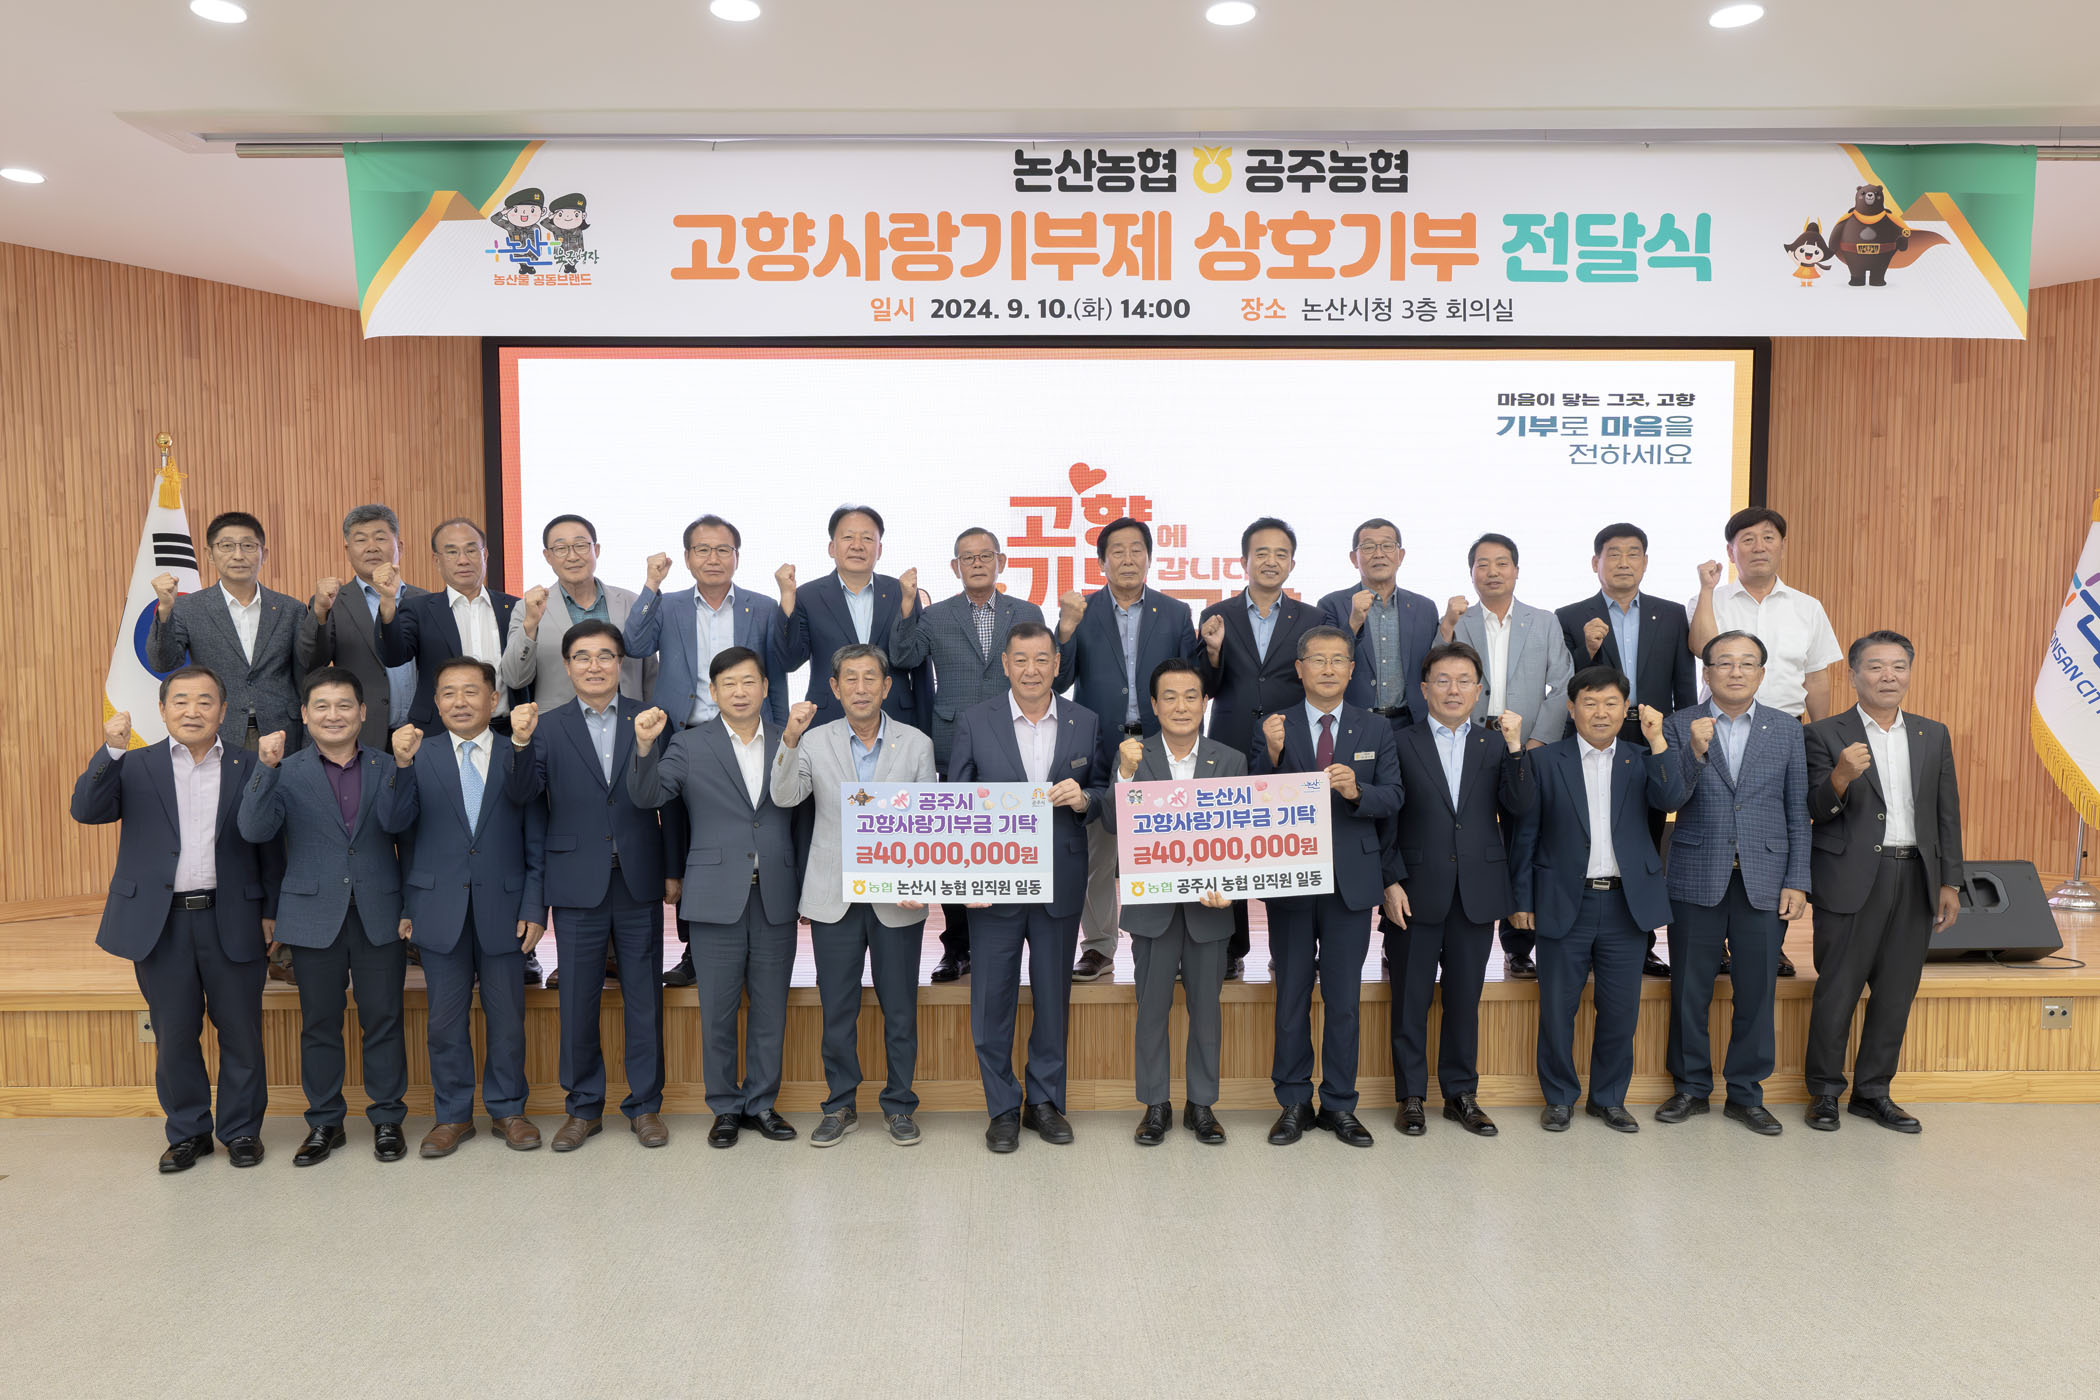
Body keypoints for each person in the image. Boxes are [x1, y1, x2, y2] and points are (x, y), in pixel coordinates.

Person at [69, 666, 280, 1172]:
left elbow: (271, 844)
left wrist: (272, 912)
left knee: (242, 1033)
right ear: (162, 710)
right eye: (180, 701)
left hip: (234, 916)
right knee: (174, 1035)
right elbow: (87, 810)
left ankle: (241, 1130)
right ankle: (189, 1133)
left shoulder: (251, 764)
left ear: (223, 712)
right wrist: (111, 749)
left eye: (205, 701)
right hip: (160, 924)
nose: (192, 711)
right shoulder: (134, 764)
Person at [506, 621, 676, 1152]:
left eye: (605, 655)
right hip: (576, 881)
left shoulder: (650, 719)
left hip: (638, 877)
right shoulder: (546, 727)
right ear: (567, 665)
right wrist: (519, 743)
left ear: (621, 663)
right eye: (583, 656)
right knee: (577, 1001)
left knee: (644, 998)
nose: (595, 665)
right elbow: (522, 796)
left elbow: (670, 800)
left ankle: (645, 1106)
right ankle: (582, 1108)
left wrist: (672, 870)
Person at [630, 645, 803, 1148]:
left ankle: (762, 1103)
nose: (740, 691)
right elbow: (647, 796)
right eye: (729, 684)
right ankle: (725, 1107)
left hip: (776, 894)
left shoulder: (791, 739)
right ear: (713, 691)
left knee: (770, 1009)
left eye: (749, 682)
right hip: (713, 896)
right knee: (718, 1012)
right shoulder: (688, 744)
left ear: (765, 687)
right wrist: (644, 747)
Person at [235, 667, 410, 1166]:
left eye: (344, 705)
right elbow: (253, 830)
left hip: (380, 911)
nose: (334, 715)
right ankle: (325, 1122)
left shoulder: (390, 765)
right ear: (305, 715)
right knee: (319, 1024)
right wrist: (264, 769)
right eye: (322, 706)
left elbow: (409, 834)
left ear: (362, 712)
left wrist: (411, 907)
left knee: (384, 1020)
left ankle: (387, 1119)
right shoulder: (285, 770)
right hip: (313, 915)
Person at [376, 658, 547, 1158]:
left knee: (507, 1019)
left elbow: (535, 838)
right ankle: (452, 1116)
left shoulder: (520, 753)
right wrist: (399, 766)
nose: (460, 702)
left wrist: (535, 906)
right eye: (448, 693)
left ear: (493, 700)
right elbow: (394, 826)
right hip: (436, 907)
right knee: (444, 1023)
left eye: (471, 691)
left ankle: (509, 1110)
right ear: (435, 702)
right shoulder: (416, 754)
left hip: (506, 908)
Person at [770, 644, 938, 1147]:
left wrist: (920, 880)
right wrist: (789, 739)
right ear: (835, 687)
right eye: (850, 679)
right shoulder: (813, 740)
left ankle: (900, 1104)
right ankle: (839, 1104)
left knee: (900, 1009)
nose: (860, 688)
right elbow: (785, 796)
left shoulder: (916, 743)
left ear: (887, 687)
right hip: (834, 894)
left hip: (896, 897)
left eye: (870, 678)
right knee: (837, 1008)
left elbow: (928, 821)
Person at [950, 621, 1109, 1153]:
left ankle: (1044, 1101)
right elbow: (956, 802)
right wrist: (963, 876)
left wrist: (1085, 800)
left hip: (1060, 879)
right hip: (993, 884)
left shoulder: (1086, 721)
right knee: (991, 999)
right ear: (1005, 664)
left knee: (1052, 996)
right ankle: (1001, 1107)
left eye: (1042, 659)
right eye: (1021, 659)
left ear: (1057, 664)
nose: (1032, 670)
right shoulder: (975, 720)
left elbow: (1104, 789)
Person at [1510, 668, 1688, 1134]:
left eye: (1611, 703)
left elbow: (1671, 797)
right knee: (1557, 1010)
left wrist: (1658, 740)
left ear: (1625, 709)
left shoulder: (1641, 757)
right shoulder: (1546, 760)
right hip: (1562, 900)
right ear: (1572, 709)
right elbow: (1525, 834)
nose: (1601, 712)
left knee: (1620, 1011)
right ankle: (1559, 1098)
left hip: (1626, 905)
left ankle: (1609, 1099)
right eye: (1590, 703)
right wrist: (1522, 898)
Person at [1802, 631, 1964, 1134]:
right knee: (1838, 990)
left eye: (1898, 666)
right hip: (1850, 879)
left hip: (1915, 875)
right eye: (1875, 666)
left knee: (1896, 992)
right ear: (1853, 675)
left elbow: (1946, 813)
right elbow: (1815, 810)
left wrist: (1951, 881)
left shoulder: (1932, 734)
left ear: (1909, 673)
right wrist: (1840, 776)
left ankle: (1873, 1092)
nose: (1888, 676)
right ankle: (1825, 1092)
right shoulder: (1824, 734)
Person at [623, 513, 791, 990]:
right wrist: (651, 585)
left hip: (748, 733)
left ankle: (749, 941)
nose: (713, 558)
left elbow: (781, 665)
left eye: (723, 550)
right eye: (703, 549)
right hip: (686, 735)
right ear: (687, 557)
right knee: (683, 843)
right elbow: (635, 643)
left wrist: (787, 603)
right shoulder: (669, 604)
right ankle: (695, 949)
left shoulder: (761, 607)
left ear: (737, 557)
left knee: (741, 835)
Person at [1253, 625, 1404, 1149]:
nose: (1328, 669)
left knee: (1343, 1001)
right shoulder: (1274, 726)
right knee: (1291, 996)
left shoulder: (1375, 728)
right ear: (1299, 668)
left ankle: (1340, 1103)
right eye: (1317, 660)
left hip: (1351, 885)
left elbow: (1394, 797)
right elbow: (1251, 799)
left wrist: (1358, 790)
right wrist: (1273, 756)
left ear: (1352, 669)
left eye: (1338, 660)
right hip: (1291, 881)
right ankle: (1293, 1101)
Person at [1655, 631, 1809, 1136]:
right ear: (1707, 673)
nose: (1736, 671)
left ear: (1762, 674)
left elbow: (1796, 810)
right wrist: (1694, 752)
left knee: (1757, 991)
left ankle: (1745, 1093)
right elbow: (1667, 798)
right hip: (1696, 874)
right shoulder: (1680, 724)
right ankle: (1690, 1088)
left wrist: (1797, 880)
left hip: (1764, 877)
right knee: (1689, 989)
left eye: (1747, 663)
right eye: (1724, 663)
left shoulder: (1786, 729)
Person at [1382, 643, 1534, 1139]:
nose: (1453, 689)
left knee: (1465, 999)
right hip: (1413, 890)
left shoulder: (1495, 744)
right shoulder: (1398, 742)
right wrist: (1390, 880)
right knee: (1410, 999)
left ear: (1479, 689)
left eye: (1464, 680)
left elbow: (1520, 808)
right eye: (1443, 680)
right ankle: (1410, 1096)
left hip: (1476, 891)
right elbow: (1384, 820)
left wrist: (1516, 747)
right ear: (1424, 689)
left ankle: (1460, 1094)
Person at [889, 525, 1047, 982]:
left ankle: (1010, 943)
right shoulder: (937, 615)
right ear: (955, 567)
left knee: (1010, 841)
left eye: (985, 556)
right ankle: (957, 948)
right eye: (967, 558)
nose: (977, 564)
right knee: (954, 847)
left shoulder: (1027, 612)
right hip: (952, 741)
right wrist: (907, 606)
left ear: (1001, 561)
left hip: (1012, 741)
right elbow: (903, 656)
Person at [1053, 515, 1199, 984]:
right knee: (1099, 852)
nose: (1128, 558)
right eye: (1117, 551)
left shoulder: (1175, 612)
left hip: (1161, 743)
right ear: (1102, 562)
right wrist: (1065, 631)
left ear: (1150, 558)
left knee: (1165, 846)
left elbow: (1191, 681)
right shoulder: (1082, 611)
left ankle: (1170, 944)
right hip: (1099, 744)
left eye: (1137, 549)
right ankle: (1098, 946)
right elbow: (1059, 681)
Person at [1104, 657, 1243, 1147]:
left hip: (1210, 908)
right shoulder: (1133, 757)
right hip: (1153, 911)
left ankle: (1201, 1105)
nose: (1181, 706)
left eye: (1190, 696)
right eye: (1170, 697)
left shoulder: (1230, 760)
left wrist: (1234, 886)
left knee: (1207, 1012)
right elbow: (1113, 824)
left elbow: (1242, 835)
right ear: (1154, 705)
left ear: (1205, 702)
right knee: (1151, 1011)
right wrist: (1123, 775)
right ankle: (1155, 1104)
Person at [1556, 522, 1698, 979]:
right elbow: (1566, 685)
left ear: (1645, 562)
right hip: (1595, 733)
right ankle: (1575, 933)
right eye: (1612, 554)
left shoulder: (1671, 614)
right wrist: (1589, 649)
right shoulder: (1569, 616)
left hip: (1651, 734)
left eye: (1632, 553)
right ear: (1594, 563)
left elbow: (1683, 684)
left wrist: (1676, 741)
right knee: (1586, 830)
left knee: (1648, 837)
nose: (1623, 562)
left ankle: (1642, 940)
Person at [1197, 517, 1324, 976]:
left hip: (1287, 742)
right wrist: (1213, 651)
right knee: (1229, 842)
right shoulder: (1217, 615)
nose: (1271, 561)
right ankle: (1231, 949)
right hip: (1229, 740)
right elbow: (1205, 686)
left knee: (1282, 844)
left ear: (1292, 563)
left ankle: (1287, 948)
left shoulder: (1311, 618)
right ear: (1244, 561)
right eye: (1262, 553)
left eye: (1281, 554)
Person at [1446, 532, 1572, 981]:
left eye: (1502, 563)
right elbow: (1440, 676)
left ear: (1516, 570)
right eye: (1483, 564)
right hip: (1470, 742)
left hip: (1527, 743)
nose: (1493, 572)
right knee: (1469, 835)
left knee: (1525, 838)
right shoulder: (1458, 622)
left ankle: (1519, 946)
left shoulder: (1544, 621)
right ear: (1472, 573)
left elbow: (1562, 684)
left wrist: (1538, 740)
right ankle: (1462, 933)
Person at [147, 511, 308, 751]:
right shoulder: (188, 608)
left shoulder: (291, 609)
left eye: (248, 546)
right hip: (219, 730)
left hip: (282, 732)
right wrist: (165, 611)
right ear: (210, 555)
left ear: (264, 554)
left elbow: (305, 678)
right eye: (227, 546)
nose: (238, 555)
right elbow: (163, 663)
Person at [777, 504, 929, 730]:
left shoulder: (902, 592)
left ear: (879, 549)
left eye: (867, 538)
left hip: (896, 719)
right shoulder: (807, 596)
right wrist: (787, 598)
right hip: (829, 719)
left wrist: (926, 727)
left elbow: (917, 664)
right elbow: (789, 660)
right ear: (832, 547)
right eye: (848, 537)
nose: (857, 545)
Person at [1688, 507, 1844, 723]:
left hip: (1786, 724)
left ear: (1783, 547)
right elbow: (1702, 649)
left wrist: (1819, 734)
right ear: (1731, 552)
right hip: (1719, 723)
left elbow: (1815, 678)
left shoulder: (1809, 607)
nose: (1759, 547)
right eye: (1748, 540)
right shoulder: (1706, 601)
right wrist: (1707, 589)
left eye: (1768, 538)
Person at [376, 516, 528, 733]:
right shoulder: (419, 609)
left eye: (471, 550)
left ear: (485, 555)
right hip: (441, 731)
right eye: (452, 552)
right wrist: (387, 601)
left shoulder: (514, 608)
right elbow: (393, 656)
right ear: (437, 560)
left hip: (507, 729)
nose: (463, 560)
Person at [297, 503, 424, 749]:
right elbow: (310, 663)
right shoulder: (333, 602)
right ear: (348, 550)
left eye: (380, 538)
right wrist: (320, 613)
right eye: (361, 539)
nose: (371, 547)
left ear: (399, 546)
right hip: (364, 735)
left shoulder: (424, 601)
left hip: (421, 734)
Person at [500, 512, 653, 709]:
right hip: (558, 723)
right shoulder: (527, 609)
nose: (572, 556)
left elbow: (650, 674)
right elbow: (514, 678)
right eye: (561, 549)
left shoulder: (631, 602)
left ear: (596, 550)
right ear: (548, 556)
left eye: (580, 545)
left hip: (629, 720)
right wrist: (530, 626)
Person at [1319, 517, 1440, 737]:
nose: (1379, 554)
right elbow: (1326, 664)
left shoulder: (1425, 608)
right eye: (1368, 547)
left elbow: (1436, 665)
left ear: (1400, 556)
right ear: (1354, 558)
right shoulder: (1332, 605)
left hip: (1412, 724)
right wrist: (1354, 622)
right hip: (1353, 724)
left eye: (1387, 546)